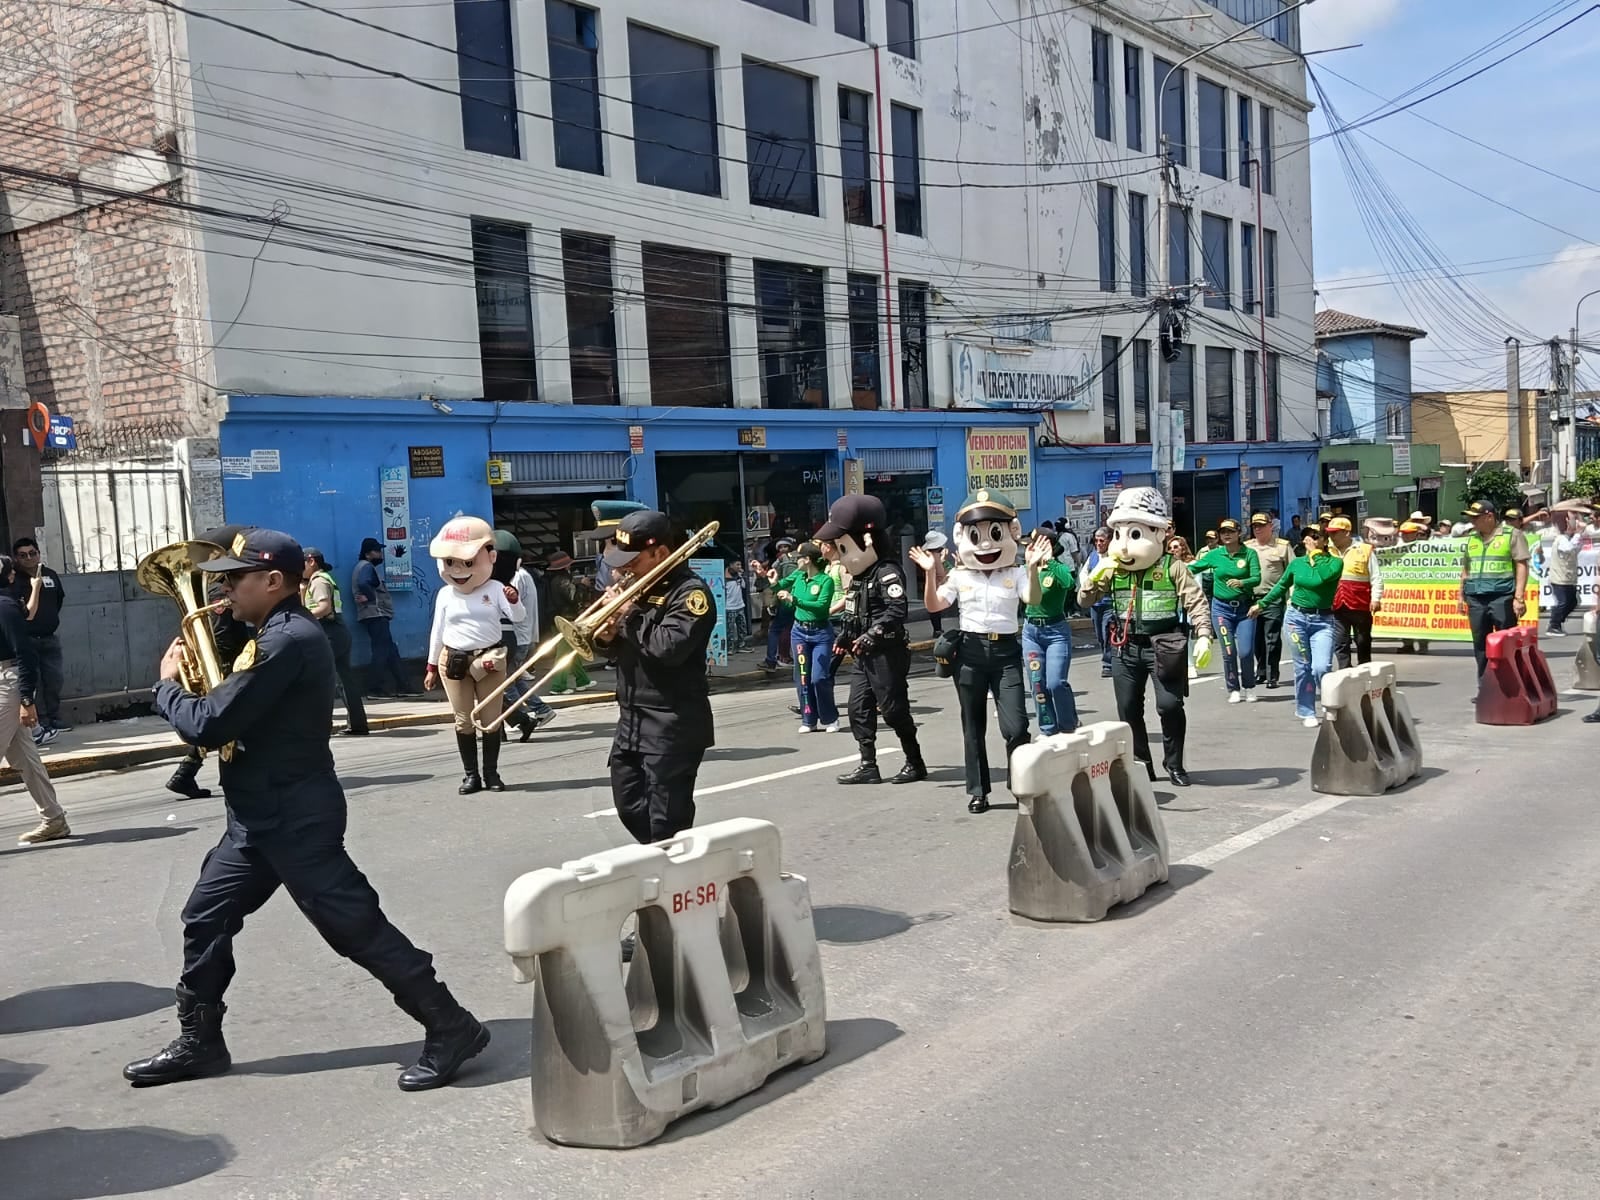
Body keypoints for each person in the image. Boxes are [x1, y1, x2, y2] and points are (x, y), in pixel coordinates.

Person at [125, 528, 488, 1092]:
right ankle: (201, 1042)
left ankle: (451, 1024)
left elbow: (209, 723)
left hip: (294, 815)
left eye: (232, 578)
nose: (220, 588)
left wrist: (168, 687)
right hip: (254, 817)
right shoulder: (269, 632)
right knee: (205, 917)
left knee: (354, 926)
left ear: (272, 582)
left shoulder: (288, 640)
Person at [595, 510, 718, 855]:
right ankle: (670, 871)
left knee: (667, 821)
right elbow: (626, 648)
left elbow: (668, 649)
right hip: (632, 716)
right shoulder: (637, 590)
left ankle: (674, 886)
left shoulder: (690, 594)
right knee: (628, 804)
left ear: (660, 553)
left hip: (672, 721)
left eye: (631, 561)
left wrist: (627, 615)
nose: (621, 570)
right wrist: (606, 636)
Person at [915, 493, 1044, 812]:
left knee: (1015, 726)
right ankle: (979, 791)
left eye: (994, 533)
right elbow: (934, 605)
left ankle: (1020, 782)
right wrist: (931, 572)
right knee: (973, 726)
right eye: (976, 535)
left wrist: (1034, 568)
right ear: (963, 538)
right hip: (970, 653)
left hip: (1005, 652)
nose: (986, 543)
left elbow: (1034, 599)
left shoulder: (1014, 573)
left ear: (1011, 533)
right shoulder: (960, 576)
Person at [1078, 488, 1213, 788]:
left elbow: (1196, 601)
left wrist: (1204, 634)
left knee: (1169, 705)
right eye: (1119, 535)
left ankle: (1174, 763)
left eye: (1135, 534)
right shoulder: (1112, 569)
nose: (1124, 546)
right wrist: (1094, 578)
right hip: (1125, 647)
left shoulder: (1172, 566)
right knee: (1128, 708)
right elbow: (1084, 601)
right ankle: (1141, 763)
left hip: (1164, 645)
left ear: (1158, 534)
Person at [820, 494, 927, 788]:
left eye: (844, 547)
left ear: (866, 540)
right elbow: (854, 612)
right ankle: (868, 765)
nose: (840, 555)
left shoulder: (887, 572)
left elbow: (897, 609)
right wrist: (846, 635)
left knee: (893, 711)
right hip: (863, 655)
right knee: (857, 709)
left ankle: (915, 762)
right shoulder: (859, 577)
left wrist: (872, 634)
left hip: (886, 654)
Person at [424, 516, 525, 794]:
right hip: (454, 660)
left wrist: (514, 600)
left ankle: (491, 774)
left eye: (467, 563)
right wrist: (432, 665)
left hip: (490, 659)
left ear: (490, 557)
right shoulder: (445, 594)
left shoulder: (494, 589)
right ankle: (471, 776)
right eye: (450, 562)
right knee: (463, 719)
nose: (458, 570)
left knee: (491, 719)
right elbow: (438, 630)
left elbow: (518, 617)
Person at [166, 524, 258, 801]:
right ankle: (190, 772)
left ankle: (187, 772)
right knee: (232, 718)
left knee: (231, 720)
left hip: (226, 658)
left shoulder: (218, 585)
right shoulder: (220, 590)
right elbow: (220, 632)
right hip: (226, 661)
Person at [2, 555, 70, 845]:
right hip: (7, 680)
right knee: (25, 759)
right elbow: (28, 614)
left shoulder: (3, 607)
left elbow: (25, 655)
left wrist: (27, 699)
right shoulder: (9, 604)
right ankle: (54, 819)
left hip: (8, 682)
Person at [1250, 524, 1344, 728]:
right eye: (1308, 536)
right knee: (1303, 666)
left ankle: (1329, 703)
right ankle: (1307, 710)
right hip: (1296, 619)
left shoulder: (1335, 563)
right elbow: (1282, 585)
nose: (1311, 539)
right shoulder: (1297, 564)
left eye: (1317, 536)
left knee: (1322, 667)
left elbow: (1324, 577)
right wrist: (1262, 603)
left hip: (1323, 621)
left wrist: (1317, 554)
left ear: (1325, 540)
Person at [1457, 500, 1531, 691]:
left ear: (1489, 516)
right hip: (1476, 598)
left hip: (1502, 596)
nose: (1472, 522)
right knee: (1480, 645)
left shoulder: (1511, 535)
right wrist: (1460, 596)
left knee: (1506, 642)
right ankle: (1486, 688)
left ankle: (1512, 685)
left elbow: (1522, 565)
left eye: (1476, 518)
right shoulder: (1472, 538)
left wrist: (1519, 598)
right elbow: (1466, 569)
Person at [1191, 518, 1262, 703]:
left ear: (1239, 533)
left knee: (1245, 651)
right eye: (1223, 532)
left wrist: (1242, 582)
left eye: (1231, 531)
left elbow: (1257, 578)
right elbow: (1193, 567)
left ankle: (1249, 686)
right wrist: (1172, 567)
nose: (1227, 535)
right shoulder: (1216, 554)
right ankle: (1233, 688)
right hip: (1221, 609)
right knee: (1228, 651)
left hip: (1245, 610)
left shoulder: (1249, 554)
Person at [773, 542, 839, 733]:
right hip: (799, 632)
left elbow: (821, 607)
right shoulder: (798, 576)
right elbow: (779, 588)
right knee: (803, 677)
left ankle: (830, 718)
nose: (796, 561)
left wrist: (794, 599)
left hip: (820, 633)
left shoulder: (825, 581)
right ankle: (808, 718)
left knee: (819, 677)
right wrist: (770, 581)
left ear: (808, 560)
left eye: (798, 558)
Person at [1020, 526, 1080, 737]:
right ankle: (1048, 730)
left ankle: (1068, 725)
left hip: (1055, 632)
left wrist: (1050, 560)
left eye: (1034, 545)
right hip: (1031, 632)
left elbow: (1069, 583)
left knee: (1055, 682)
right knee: (1038, 683)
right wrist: (1031, 565)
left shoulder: (1058, 568)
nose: (1029, 549)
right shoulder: (1027, 568)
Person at [301, 549, 368, 737]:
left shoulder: (319, 581)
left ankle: (321, 725)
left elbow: (324, 607)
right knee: (345, 680)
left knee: (322, 679)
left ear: (311, 561)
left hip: (330, 632)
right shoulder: (320, 579)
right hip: (337, 632)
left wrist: (301, 617)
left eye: (302, 564)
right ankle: (358, 724)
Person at [9, 537, 67, 743]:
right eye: (23, 555)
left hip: (49, 638)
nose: (29, 558)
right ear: (16, 558)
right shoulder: (14, 580)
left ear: (39, 553)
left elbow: (59, 599)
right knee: (34, 682)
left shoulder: (49, 575)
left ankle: (55, 716)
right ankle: (40, 721)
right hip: (27, 639)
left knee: (54, 679)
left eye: (32, 553)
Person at [352, 537, 408, 698]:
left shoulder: (363, 567)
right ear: (368, 554)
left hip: (375, 614)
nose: (381, 554)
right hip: (375, 613)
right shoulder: (366, 567)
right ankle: (374, 688)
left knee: (390, 651)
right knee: (381, 651)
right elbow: (364, 583)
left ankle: (404, 685)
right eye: (377, 551)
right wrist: (370, 598)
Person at [1327, 517, 1380, 668]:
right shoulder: (1327, 551)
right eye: (1330, 533)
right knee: (1340, 641)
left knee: (1362, 640)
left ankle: (1364, 668)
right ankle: (1345, 670)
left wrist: (1376, 599)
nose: (1332, 536)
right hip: (1337, 604)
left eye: (1335, 533)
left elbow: (1376, 576)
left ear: (1346, 532)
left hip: (1360, 604)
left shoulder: (1364, 550)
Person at [1247, 513, 1293, 689]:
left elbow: (1292, 572)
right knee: (1256, 639)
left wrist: (1290, 597)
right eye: (1254, 526)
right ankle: (1261, 672)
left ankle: (1272, 675)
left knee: (1271, 638)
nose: (1257, 529)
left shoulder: (1282, 546)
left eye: (1261, 525)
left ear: (1270, 526)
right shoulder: (1248, 547)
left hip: (1272, 598)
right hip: (1252, 598)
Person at [543, 551, 594, 694]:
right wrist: (583, 586)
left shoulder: (552, 580)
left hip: (557, 619)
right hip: (565, 620)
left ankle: (582, 680)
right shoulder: (563, 580)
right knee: (564, 653)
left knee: (573, 650)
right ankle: (558, 686)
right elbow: (574, 597)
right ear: (566, 566)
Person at [761, 538, 799, 669]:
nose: (783, 549)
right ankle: (790, 657)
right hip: (798, 599)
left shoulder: (782, 560)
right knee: (792, 629)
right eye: (781, 547)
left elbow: (772, 575)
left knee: (775, 630)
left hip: (785, 599)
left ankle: (771, 660)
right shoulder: (800, 559)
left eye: (785, 547)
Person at [1544, 511, 1582, 636]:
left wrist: (1578, 535)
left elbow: (1574, 550)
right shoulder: (1561, 539)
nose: (1575, 522)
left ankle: (1557, 622)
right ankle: (1553, 625)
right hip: (1559, 578)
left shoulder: (1567, 539)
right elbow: (1568, 548)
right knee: (1563, 601)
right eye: (1572, 519)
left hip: (1568, 577)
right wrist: (1577, 534)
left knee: (1573, 601)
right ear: (1565, 521)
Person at [1083, 527, 1114, 678]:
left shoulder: (1114, 557)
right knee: (1100, 635)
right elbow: (1084, 574)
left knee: (1107, 631)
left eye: (1102, 540)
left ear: (1109, 541)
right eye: (1096, 540)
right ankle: (1108, 656)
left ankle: (1108, 664)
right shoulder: (1093, 556)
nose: (1098, 544)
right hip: (1095, 604)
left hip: (1110, 603)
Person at [920, 530, 955, 635]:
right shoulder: (935, 556)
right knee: (935, 611)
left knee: (933, 610)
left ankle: (937, 629)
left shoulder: (927, 554)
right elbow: (941, 575)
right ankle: (937, 630)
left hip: (930, 585)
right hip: (937, 587)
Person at [724, 560, 751, 652]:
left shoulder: (738, 576)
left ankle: (741, 645)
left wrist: (741, 576)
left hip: (740, 605)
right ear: (731, 565)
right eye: (737, 564)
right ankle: (729, 648)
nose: (739, 566)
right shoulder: (725, 577)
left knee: (742, 627)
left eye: (740, 564)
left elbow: (744, 586)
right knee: (730, 629)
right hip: (729, 606)